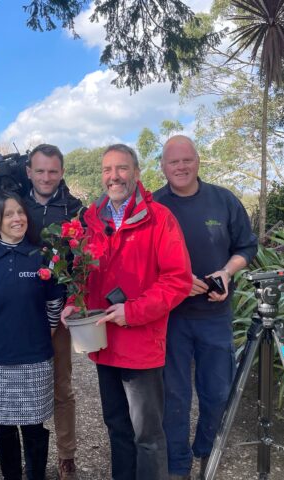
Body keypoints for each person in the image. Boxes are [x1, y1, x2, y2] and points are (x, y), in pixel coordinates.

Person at [61, 144, 193, 480]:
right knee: (117, 429)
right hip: (103, 343)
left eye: (121, 168)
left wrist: (132, 311)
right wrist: (75, 300)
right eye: (107, 170)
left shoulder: (159, 219)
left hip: (141, 346)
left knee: (147, 436)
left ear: (136, 173)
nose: (113, 176)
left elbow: (177, 280)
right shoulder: (92, 220)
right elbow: (83, 270)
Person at [0, 144, 82, 480]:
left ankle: (65, 456)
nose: (46, 177)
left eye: (53, 171)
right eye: (40, 170)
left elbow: (84, 260)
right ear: (28, 171)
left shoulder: (74, 210)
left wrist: (70, 304)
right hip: (11, 325)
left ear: (61, 173)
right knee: (11, 414)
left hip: (55, 310)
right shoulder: (17, 201)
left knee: (59, 388)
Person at [153, 135, 259, 480]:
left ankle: (204, 449)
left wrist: (227, 272)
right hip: (172, 318)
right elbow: (142, 263)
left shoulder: (223, 200)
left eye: (187, 160)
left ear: (198, 161)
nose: (180, 167)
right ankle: (178, 464)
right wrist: (176, 283)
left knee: (217, 394)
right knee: (175, 396)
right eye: (173, 162)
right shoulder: (154, 206)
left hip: (216, 316)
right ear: (163, 167)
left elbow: (246, 246)